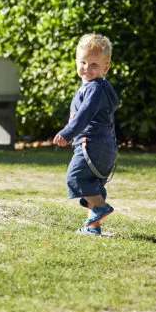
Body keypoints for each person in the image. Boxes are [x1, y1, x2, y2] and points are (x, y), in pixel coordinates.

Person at [53, 33, 121, 236]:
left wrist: (67, 132)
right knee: (92, 184)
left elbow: (84, 115)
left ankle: (100, 207)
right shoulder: (95, 87)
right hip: (105, 147)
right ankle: (93, 228)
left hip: (92, 144)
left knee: (75, 178)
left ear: (105, 68)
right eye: (83, 62)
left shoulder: (94, 89)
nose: (87, 68)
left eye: (94, 64)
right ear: (76, 61)